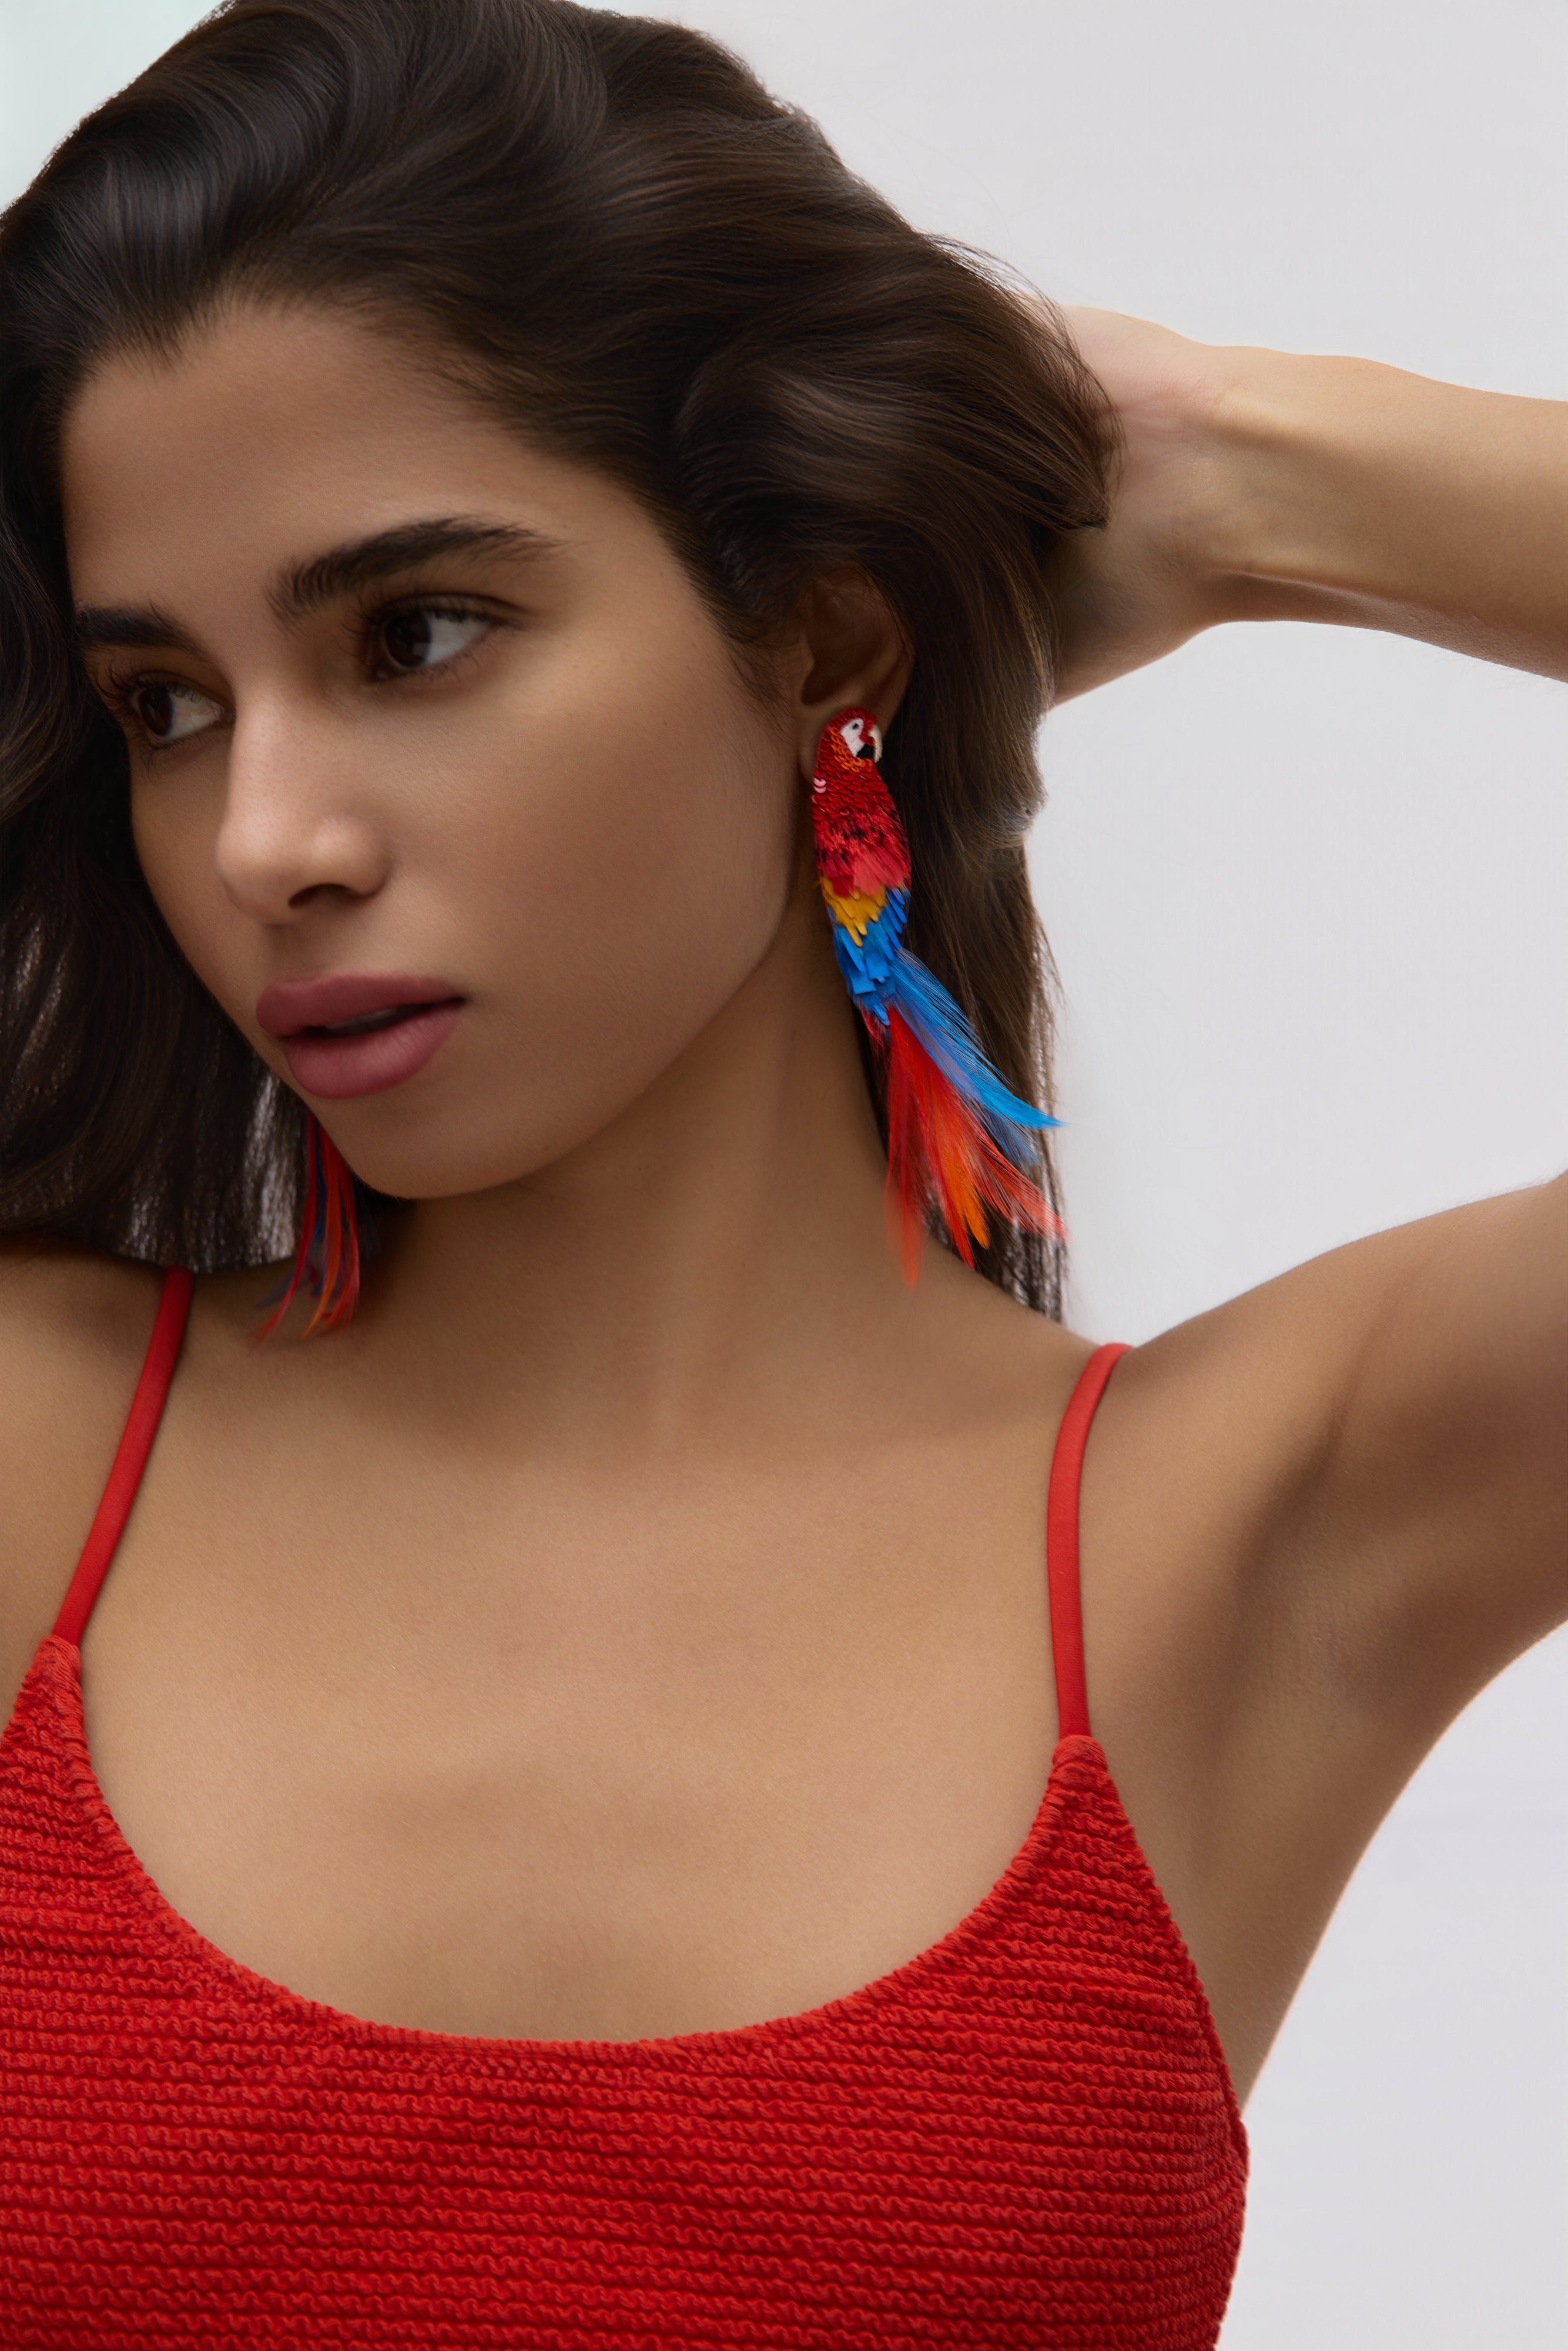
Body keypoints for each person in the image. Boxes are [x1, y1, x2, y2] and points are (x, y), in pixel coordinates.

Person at [0, 1, 1561, 2343]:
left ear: (819, 629)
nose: (265, 844)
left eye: (413, 633)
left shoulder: (1268, 1510)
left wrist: (1253, 470)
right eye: (167, 703)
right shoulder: (29, 1451)